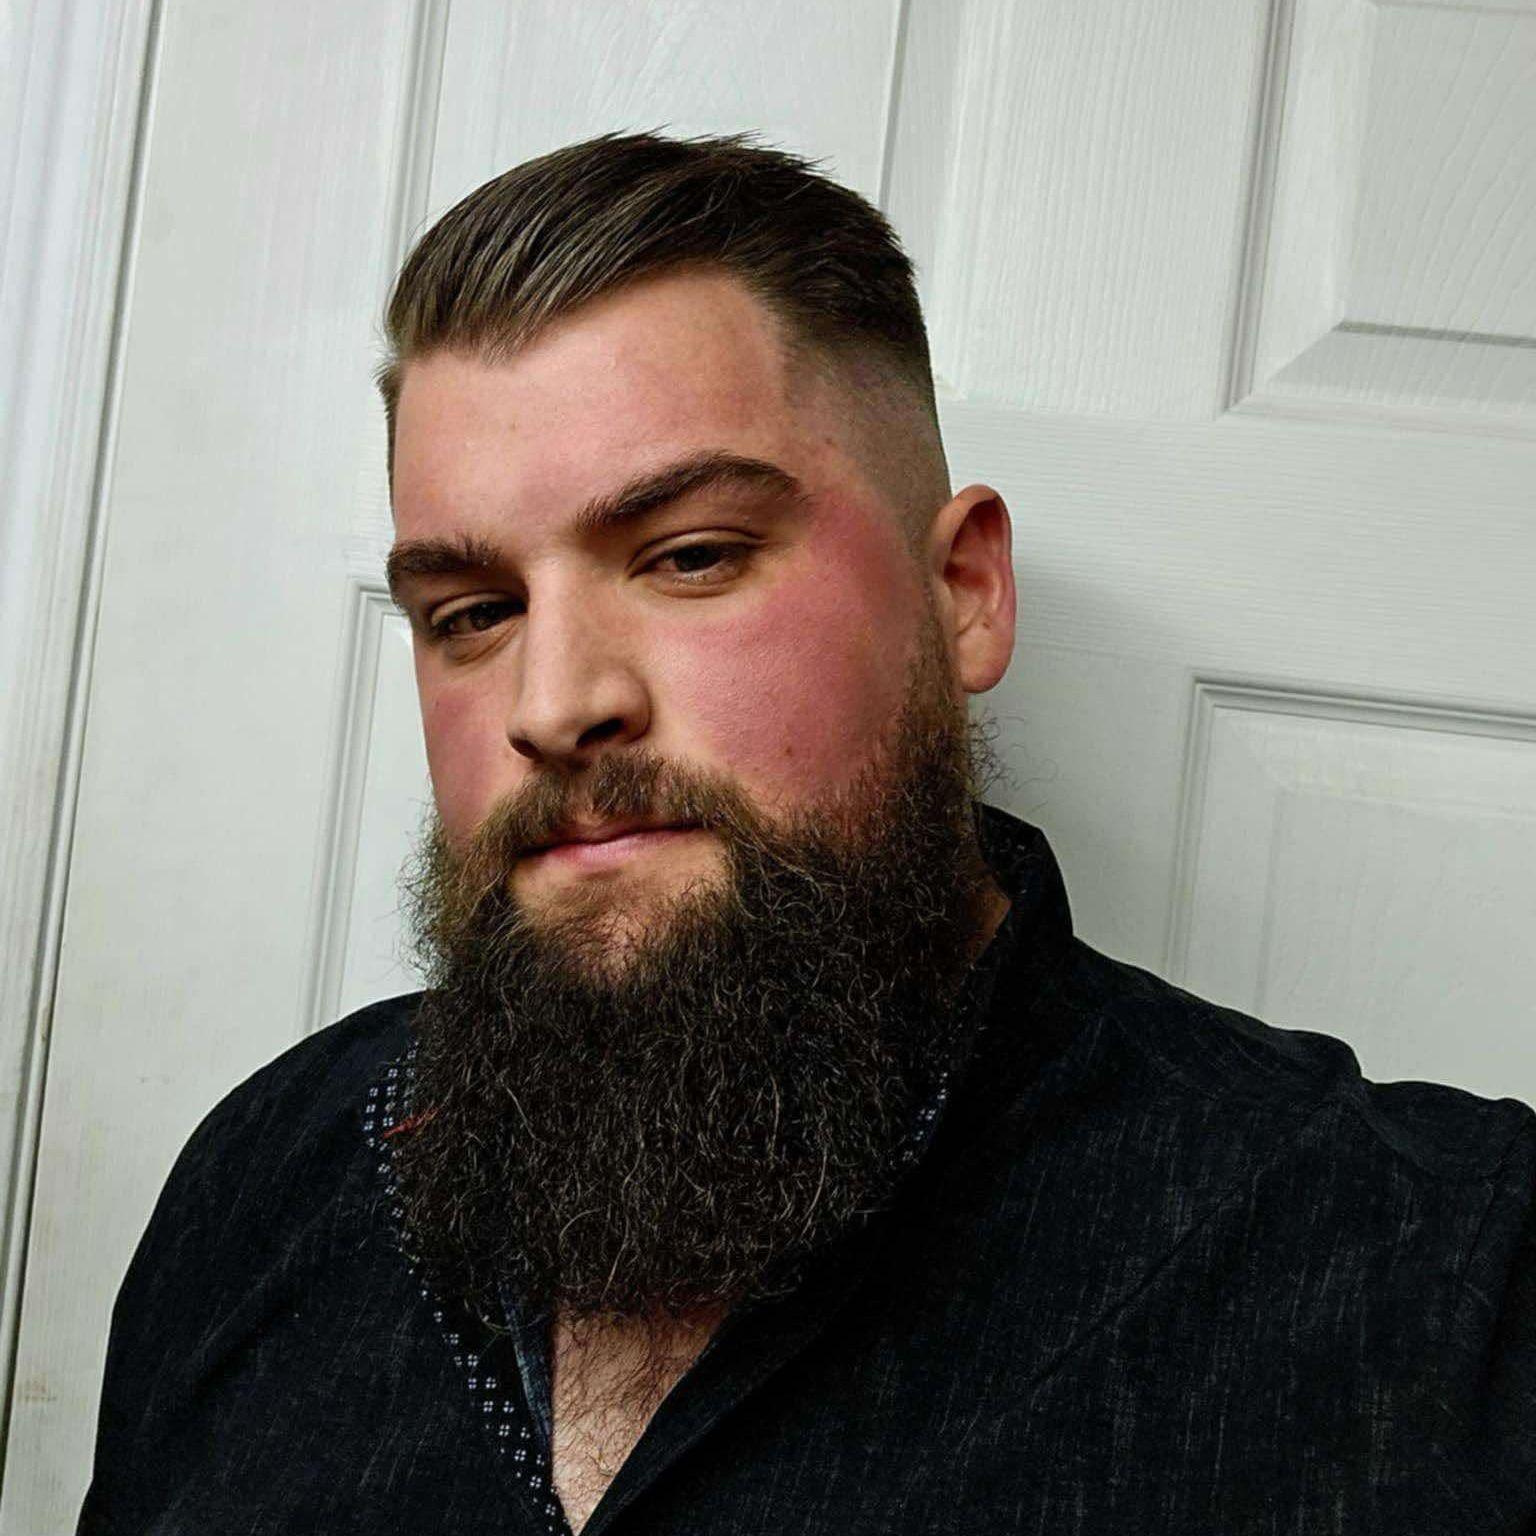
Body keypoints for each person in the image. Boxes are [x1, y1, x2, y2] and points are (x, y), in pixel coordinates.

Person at [78, 131, 1534, 1536]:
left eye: (690, 556)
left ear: (964, 595)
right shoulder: (269, 1179)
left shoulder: (1434, 1275)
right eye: (472, 612)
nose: (555, 704)